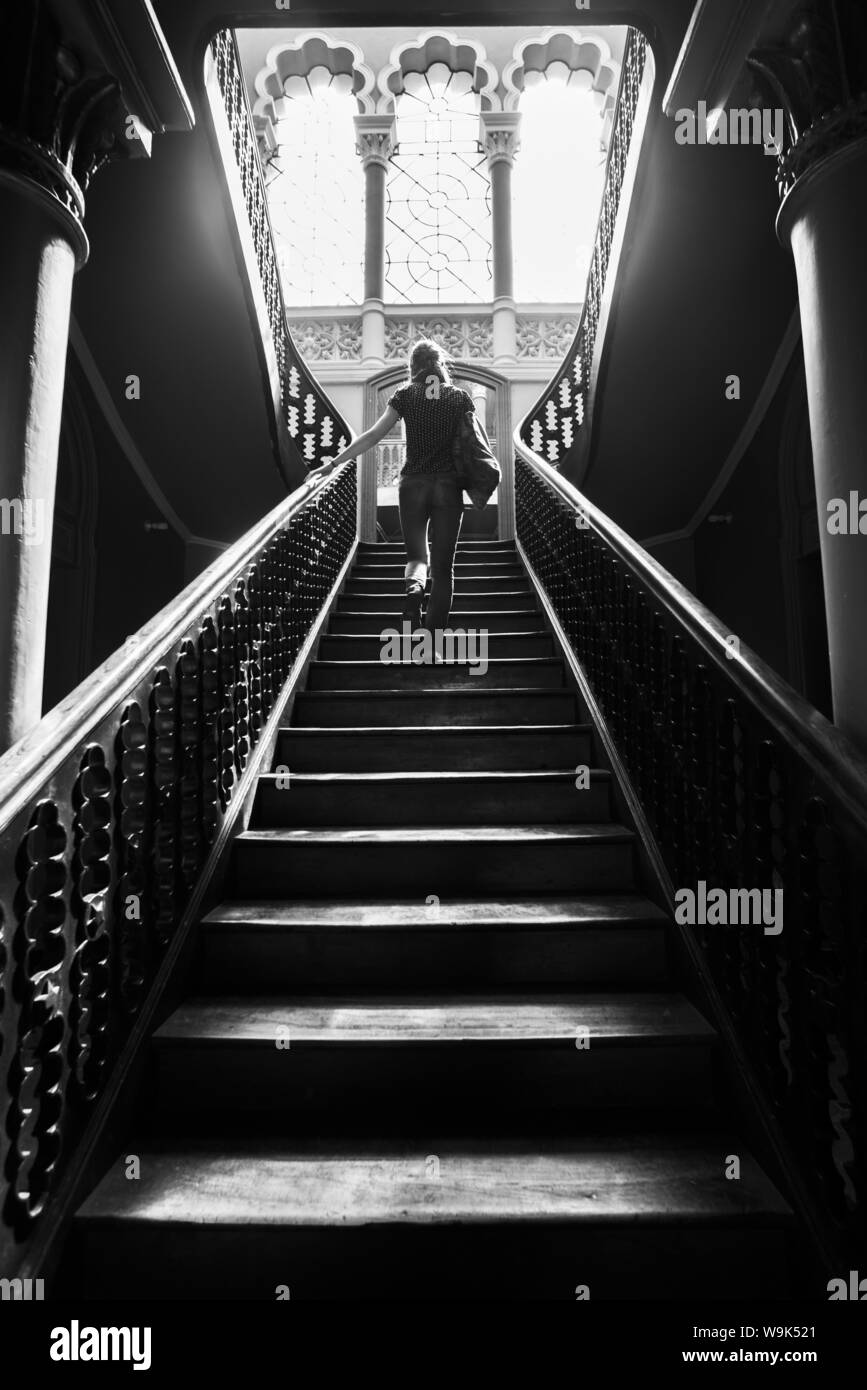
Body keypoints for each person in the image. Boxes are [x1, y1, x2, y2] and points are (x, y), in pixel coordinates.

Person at [316, 339, 474, 634]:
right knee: (443, 570)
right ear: (439, 364)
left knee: (416, 557)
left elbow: (374, 435)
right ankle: (431, 643)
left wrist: (333, 463)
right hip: (448, 486)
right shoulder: (458, 397)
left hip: (412, 483)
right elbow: (472, 444)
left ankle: (414, 591)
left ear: (412, 366)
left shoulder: (405, 395)